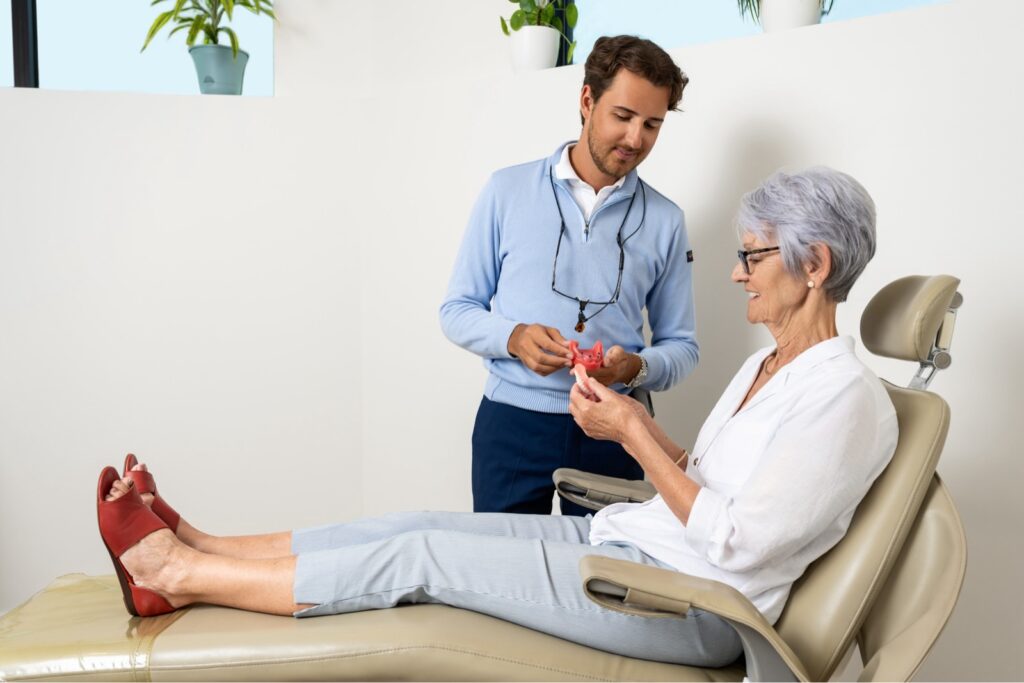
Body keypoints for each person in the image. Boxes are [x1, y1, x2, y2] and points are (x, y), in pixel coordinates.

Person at [98, 167, 895, 668]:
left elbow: (736, 540)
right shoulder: (767, 366)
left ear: (813, 264)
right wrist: (630, 420)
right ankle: (203, 542)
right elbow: (708, 478)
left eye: (752, 256)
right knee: (412, 521)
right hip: (632, 544)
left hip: (688, 605)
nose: (735, 272)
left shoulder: (847, 400)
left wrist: (631, 437)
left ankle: (177, 574)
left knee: (421, 560)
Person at [439, 35, 698, 516]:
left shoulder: (666, 220)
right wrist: (513, 337)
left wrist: (633, 368)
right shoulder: (505, 190)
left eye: (652, 125)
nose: (635, 139)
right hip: (510, 424)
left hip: (615, 429)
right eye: (623, 116)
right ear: (586, 100)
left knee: (606, 579)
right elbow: (456, 310)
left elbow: (682, 346)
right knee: (499, 575)